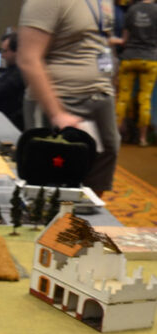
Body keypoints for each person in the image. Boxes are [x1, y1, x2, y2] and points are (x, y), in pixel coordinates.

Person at [18, 0, 120, 196]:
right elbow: (28, 58)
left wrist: (110, 85)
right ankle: (49, 212)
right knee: (50, 169)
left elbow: (100, 42)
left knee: (105, 156)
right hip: (60, 97)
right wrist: (56, 113)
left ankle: (86, 210)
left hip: (101, 94)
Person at [115, 0, 157, 146]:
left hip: (129, 58)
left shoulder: (131, 10)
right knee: (145, 99)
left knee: (123, 98)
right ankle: (142, 138)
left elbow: (124, 39)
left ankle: (116, 135)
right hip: (150, 60)